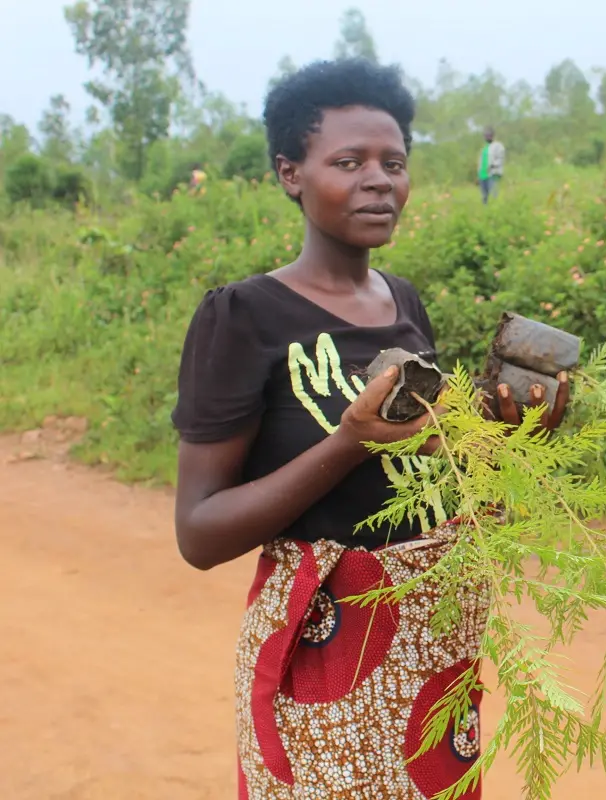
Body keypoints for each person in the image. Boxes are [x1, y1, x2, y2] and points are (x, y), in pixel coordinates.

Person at [170, 59, 568, 799]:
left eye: (394, 162)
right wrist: (347, 442)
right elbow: (198, 534)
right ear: (292, 174)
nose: (380, 180)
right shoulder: (244, 317)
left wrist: (514, 442)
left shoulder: (403, 303)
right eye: (348, 162)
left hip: (430, 648)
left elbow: (429, 481)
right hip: (324, 659)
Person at [478, 126, 505, 204]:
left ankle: (495, 210)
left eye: (489, 135)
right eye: (486, 135)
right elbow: (481, 162)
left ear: (493, 135)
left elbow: (501, 159)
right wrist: (479, 173)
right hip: (482, 175)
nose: (487, 137)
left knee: (494, 195)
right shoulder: (485, 148)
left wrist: (492, 165)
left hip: (492, 174)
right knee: (484, 196)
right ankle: (486, 212)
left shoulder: (498, 146)